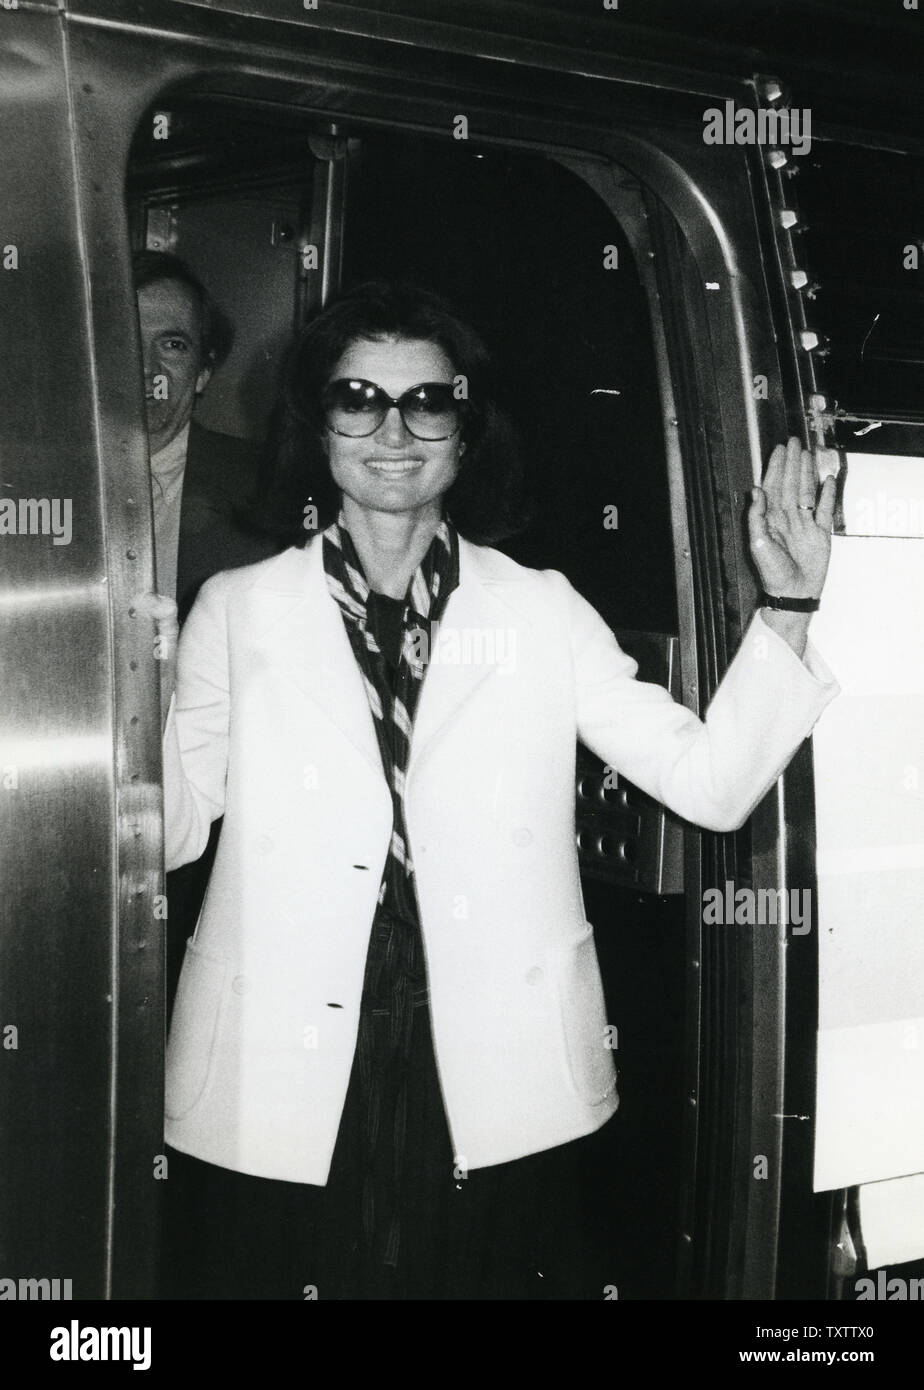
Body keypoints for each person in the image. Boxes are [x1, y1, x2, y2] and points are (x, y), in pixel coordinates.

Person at [152, 280, 839, 1300]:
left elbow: (713, 784)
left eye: (428, 402)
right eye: (358, 398)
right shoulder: (235, 609)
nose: (394, 430)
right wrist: (109, 687)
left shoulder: (541, 610)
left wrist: (787, 602)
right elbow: (162, 833)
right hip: (280, 1057)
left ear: (466, 433)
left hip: (492, 1055)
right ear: (319, 424)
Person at [135, 251, 281, 1018]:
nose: (145, 365)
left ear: (204, 371)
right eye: (120, 335)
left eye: (173, 344)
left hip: (209, 844)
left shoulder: (271, 499)